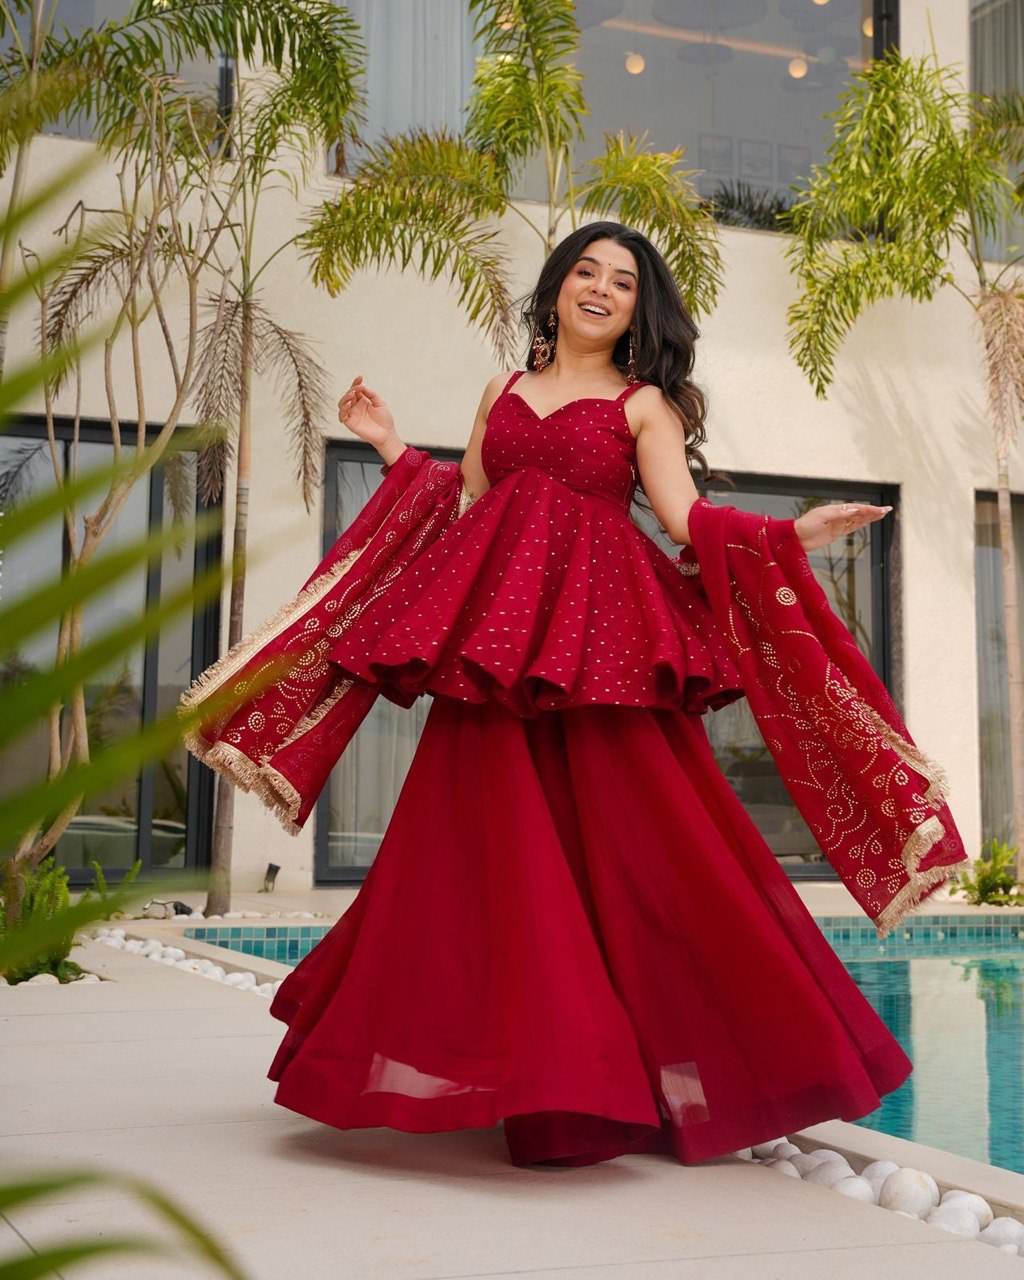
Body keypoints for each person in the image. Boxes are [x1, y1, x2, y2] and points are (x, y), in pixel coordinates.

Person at [180, 220, 967, 1168]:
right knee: (478, 861)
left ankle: (671, 1068)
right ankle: (529, 1074)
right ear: (555, 288)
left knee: (648, 856)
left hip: (600, 653)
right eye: (584, 272)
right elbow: (468, 505)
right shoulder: (500, 391)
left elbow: (685, 520)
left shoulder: (645, 409)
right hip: (491, 661)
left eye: (623, 282)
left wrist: (791, 537)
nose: (599, 288)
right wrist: (389, 446)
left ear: (641, 310)